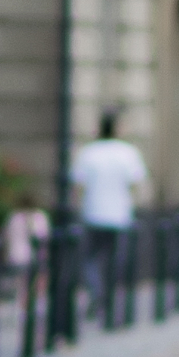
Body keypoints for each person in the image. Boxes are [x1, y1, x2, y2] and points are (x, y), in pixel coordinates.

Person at [72, 109, 147, 328]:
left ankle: (98, 293)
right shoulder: (128, 153)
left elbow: (79, 184)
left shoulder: (89, 152)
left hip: (93, 213)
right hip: (119, 215)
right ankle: (108, 298)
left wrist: (80, 206)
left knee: (91, 259)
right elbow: (136, 183)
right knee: (115, 260)